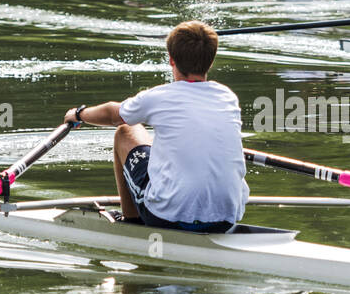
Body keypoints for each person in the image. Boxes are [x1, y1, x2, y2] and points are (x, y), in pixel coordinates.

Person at [63, 20, 249, 233]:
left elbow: (113, 115)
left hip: (167, 216)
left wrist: (78, 114)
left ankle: (131, 221)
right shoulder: (228, 97)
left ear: (171, 60)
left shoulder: (159, 96)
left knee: (126, 131)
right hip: (226, 217)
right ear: (211, 61)